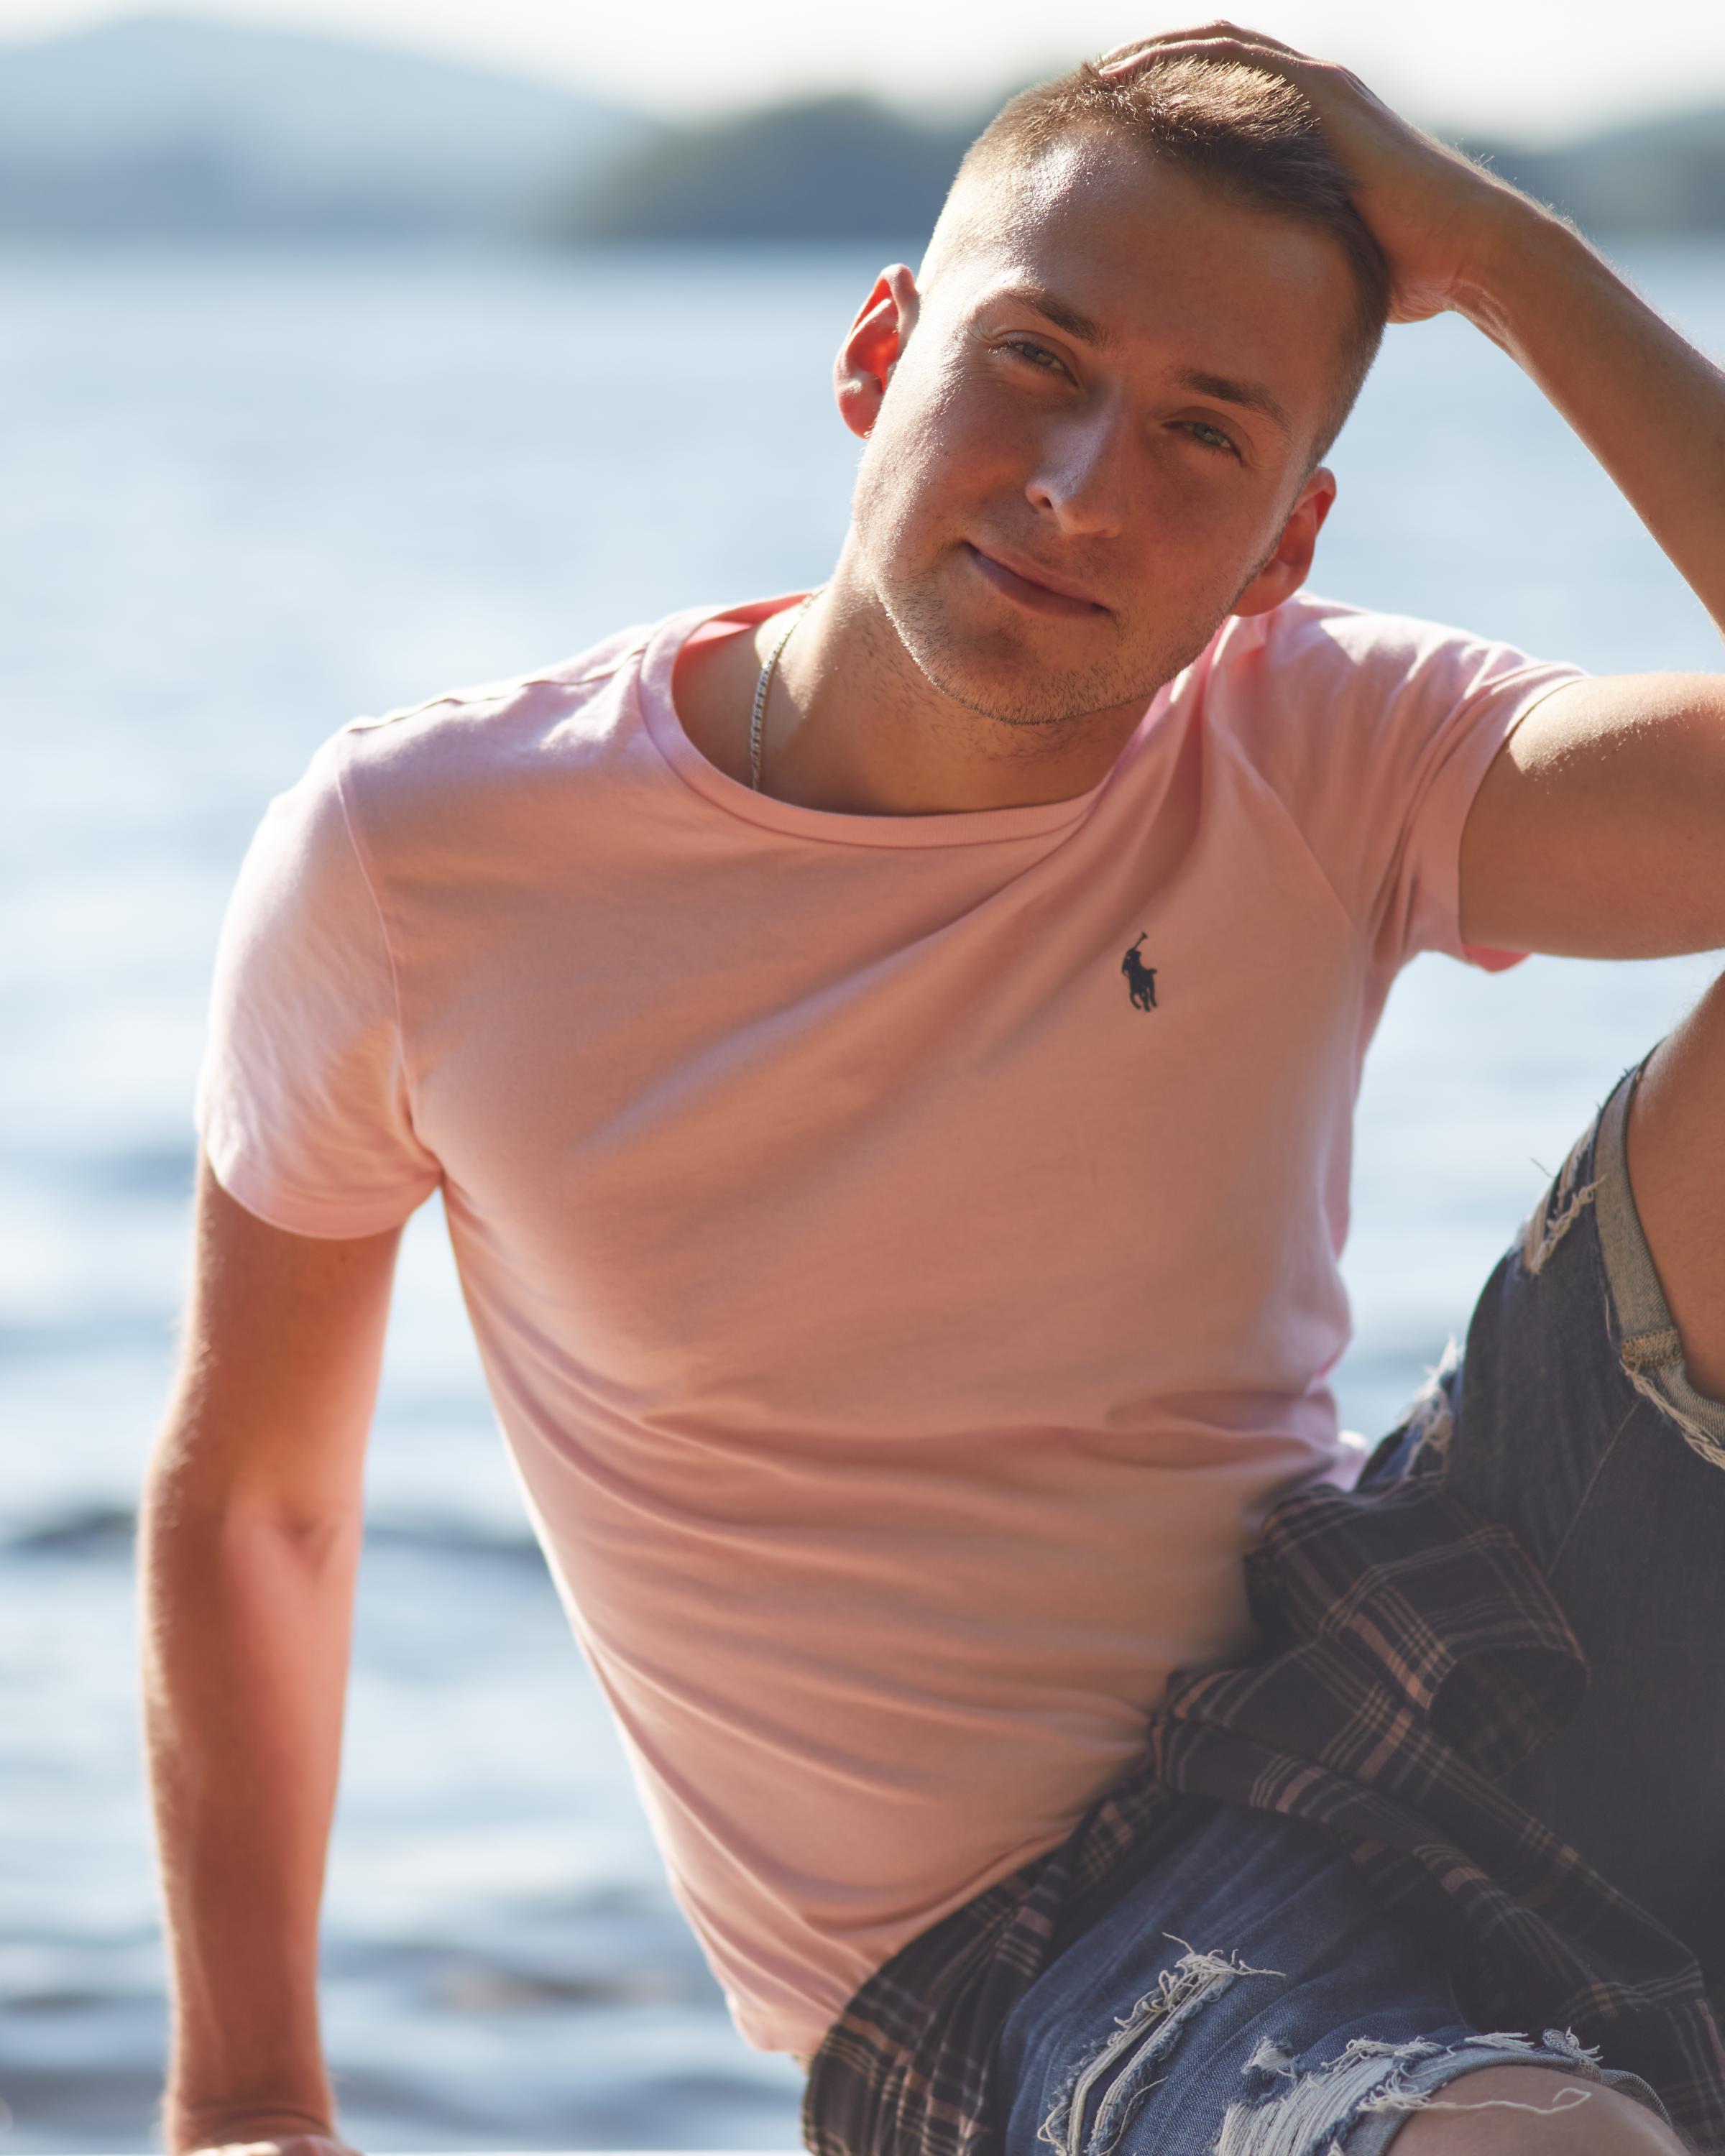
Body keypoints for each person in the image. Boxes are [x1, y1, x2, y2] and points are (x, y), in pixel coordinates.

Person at [139, 22, 1725, 2156]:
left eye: (1201, 432)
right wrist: (250, 2102)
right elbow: (259, 1505)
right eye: (1039, 361)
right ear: (879, 353)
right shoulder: (422, 863)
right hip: (1022, 1954)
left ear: (1284, 540)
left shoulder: (1328, 743)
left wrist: (1499, 249)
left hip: (1425, 1653)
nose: (1082, 489)